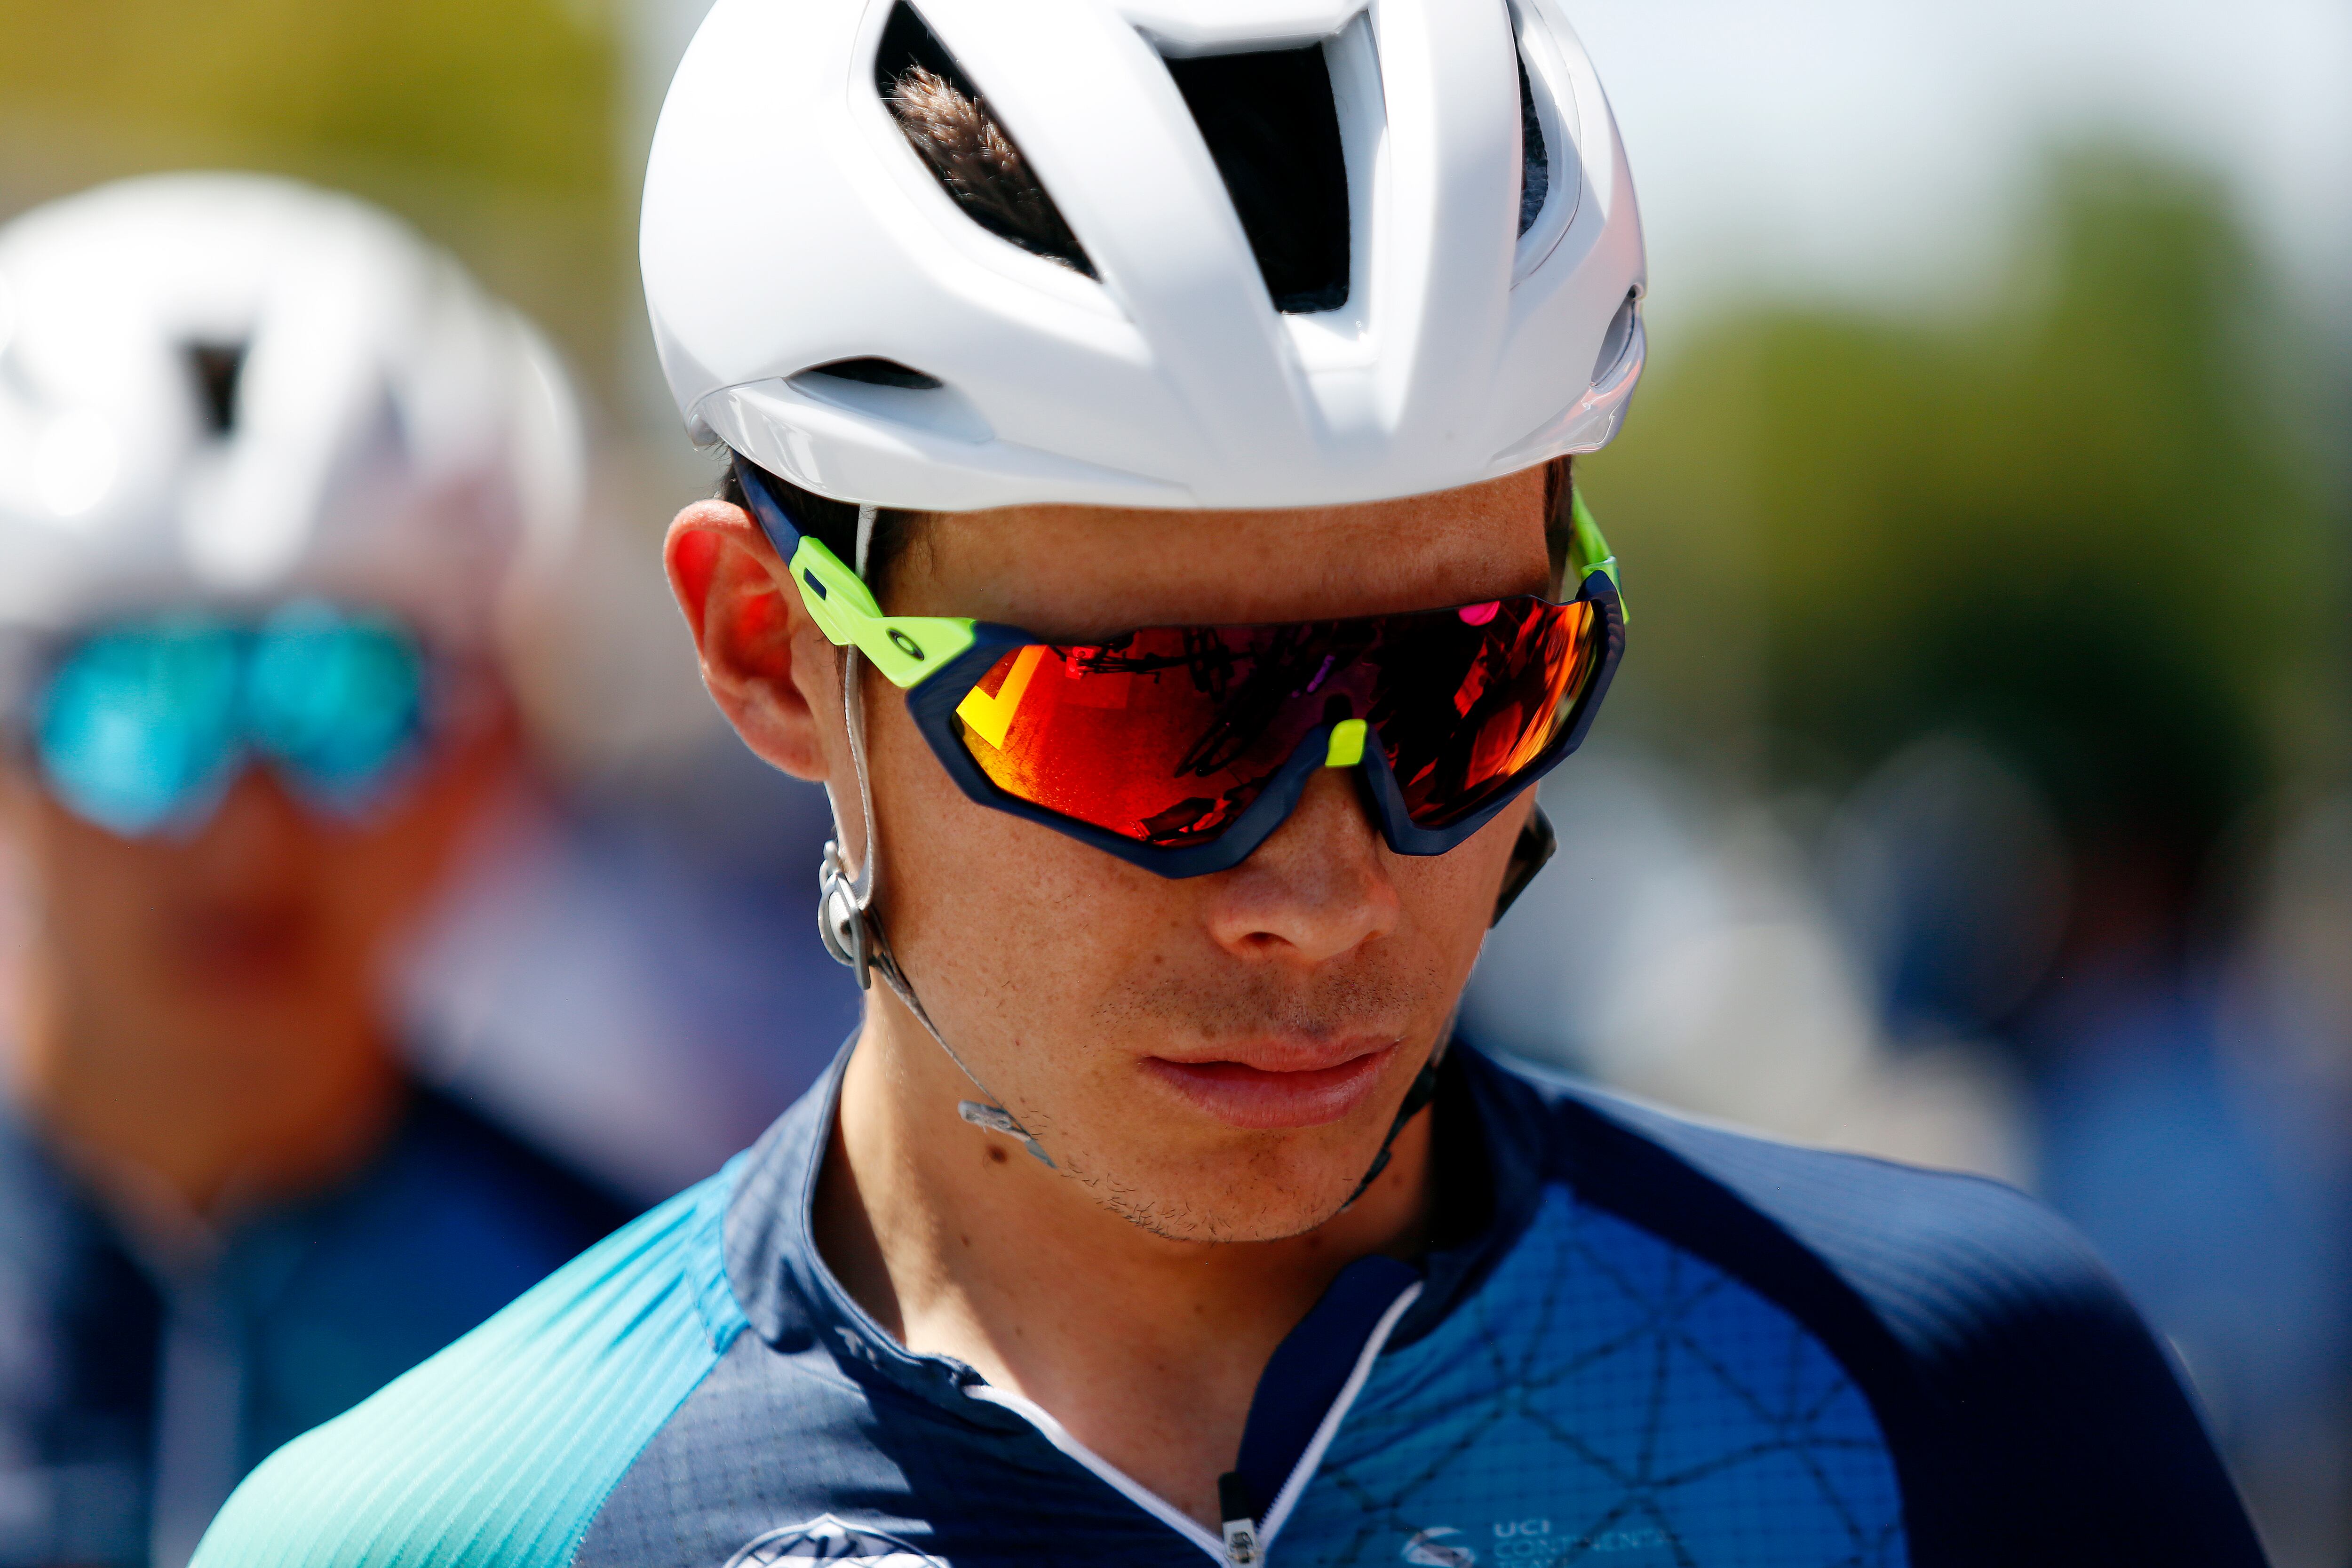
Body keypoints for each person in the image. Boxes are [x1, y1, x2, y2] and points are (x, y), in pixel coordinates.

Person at [196, 5, 2265, 1566]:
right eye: (1146, 716)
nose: (1326, 888)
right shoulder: (431, 1530)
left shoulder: (1966, 1415)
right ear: (770, 652)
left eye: (1472, 684)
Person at [0, 174, 631, 1568]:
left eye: (345, 696)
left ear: (483, 755)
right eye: (138, 709)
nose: (248, 829)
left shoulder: (645, 1338)